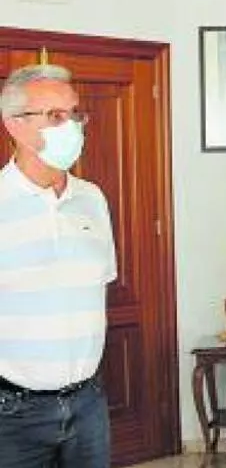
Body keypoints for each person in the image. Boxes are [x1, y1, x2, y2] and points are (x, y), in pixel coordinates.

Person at [0, 64, 117, 467]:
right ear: (14, 124)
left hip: (87, 404)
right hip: (12, 414)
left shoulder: (92, 199)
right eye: (54, 116)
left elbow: (98, 286)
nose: (71, 127)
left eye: (74, 113)